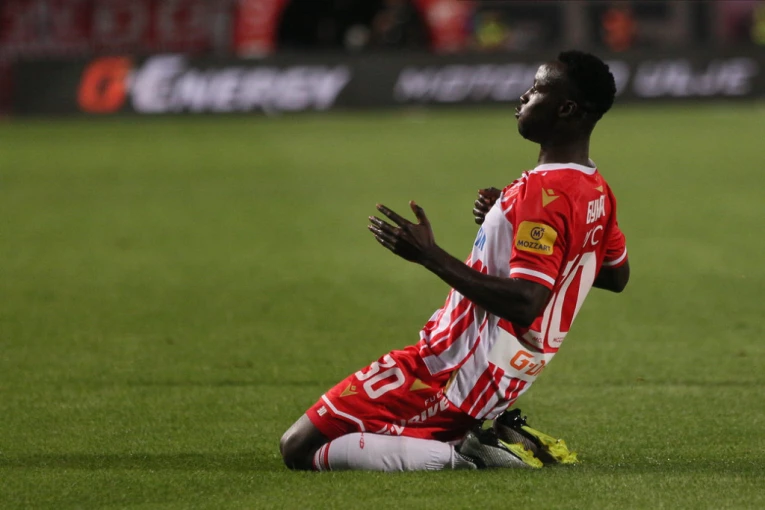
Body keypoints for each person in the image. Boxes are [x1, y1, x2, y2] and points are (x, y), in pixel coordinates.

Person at [280, 50, 630, 472]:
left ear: (566, 108)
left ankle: (467, 452)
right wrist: (507, 220)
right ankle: (475, 434)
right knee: (336, 439)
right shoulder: (595, 188)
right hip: (498, 373)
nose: (524, 96)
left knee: (298, 447)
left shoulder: (543, 193)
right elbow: (614, 274)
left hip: (448, 369)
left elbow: (526, 301)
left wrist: (429, 255)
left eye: (537, 88)